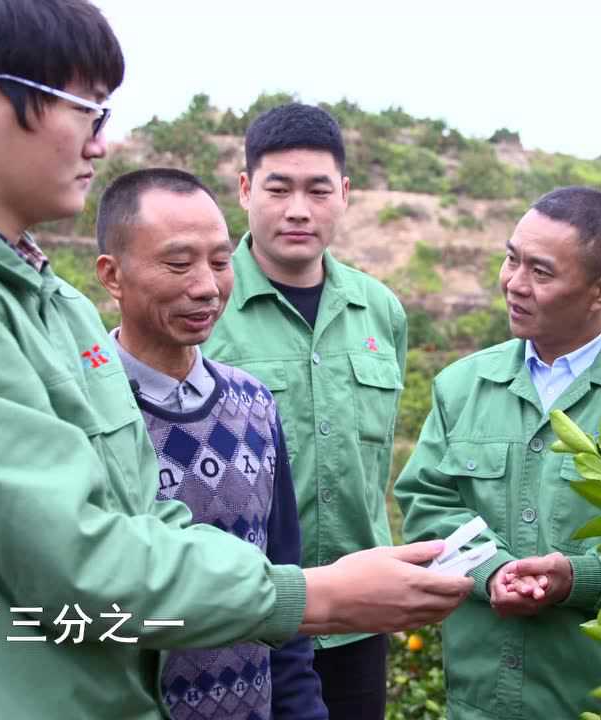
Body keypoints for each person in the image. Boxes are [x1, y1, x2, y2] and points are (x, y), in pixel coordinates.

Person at [0, 2, 469, 718]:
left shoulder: (56, 308)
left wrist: (314, 588)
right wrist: (314, 596)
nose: (100, 143)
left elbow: (142, 518)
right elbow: (79, 558)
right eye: (87, 110)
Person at [394, 186, 601, 719]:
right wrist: (490, 569)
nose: (514, 284)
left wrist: (579, 578)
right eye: (511, 259)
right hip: (479, 704)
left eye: (541, 272)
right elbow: (428, 508)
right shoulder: (463, 386)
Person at [94, 168, 325, 719]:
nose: (206, 285)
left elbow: (284, 581)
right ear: (112, 275)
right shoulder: (86, 413)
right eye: (178, 263)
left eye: (221, 262)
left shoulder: (254, 404)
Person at [203, 103, 406, 717]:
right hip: (237, 615)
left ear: (344, 193)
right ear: (244, 190)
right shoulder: (201, 302)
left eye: (319, 190)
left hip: (355, 624)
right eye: (278, 188)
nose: (299, 209)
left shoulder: (380, 311)